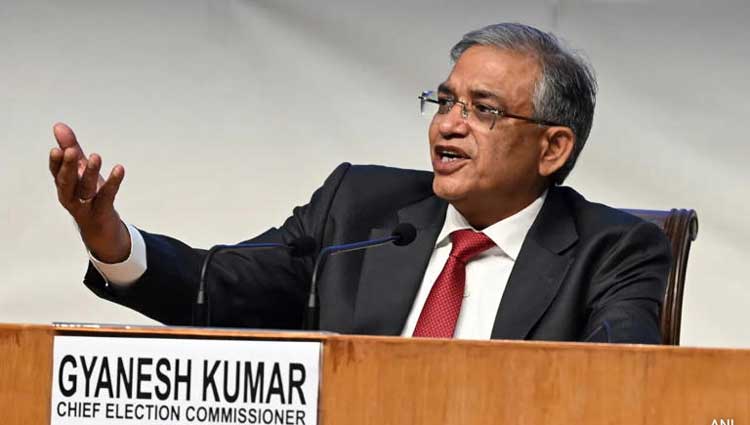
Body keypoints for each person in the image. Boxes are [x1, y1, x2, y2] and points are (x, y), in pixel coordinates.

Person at [48, 23, 670, 343]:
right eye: (444, 101)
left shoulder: (615, 251)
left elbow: (621, 387)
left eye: (483, 109)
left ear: (552, 148)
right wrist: (110, 238)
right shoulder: (358, 208)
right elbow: (218, 288)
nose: (448, 125)